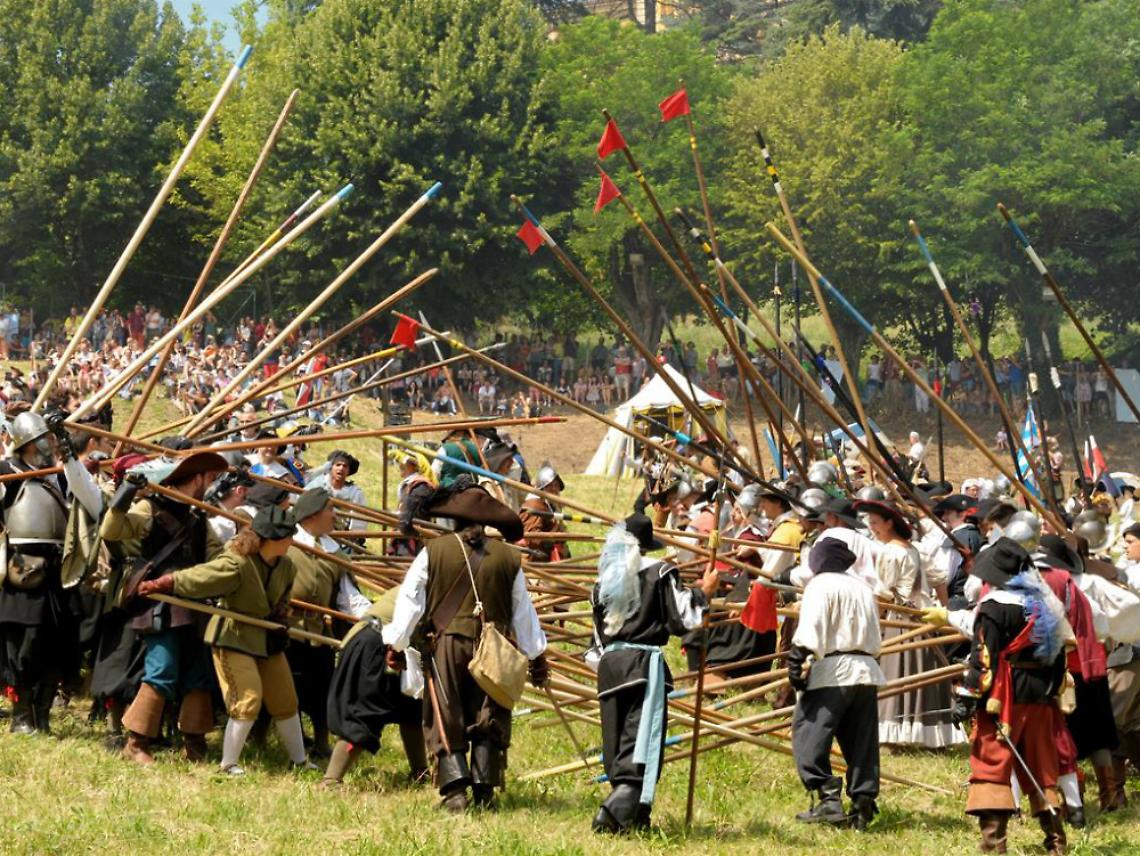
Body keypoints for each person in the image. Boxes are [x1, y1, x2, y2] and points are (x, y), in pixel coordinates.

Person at [383, 482, 547, 812]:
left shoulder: (433, 551)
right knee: (490, 712)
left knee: (446, 711)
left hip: (447, 645)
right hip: (496, 647)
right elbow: (523, 612)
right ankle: (484, 790)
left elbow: (410, 601)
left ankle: (455, 792)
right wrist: (536, 657)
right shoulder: (509, 558)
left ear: (452, 519)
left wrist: (397, 643)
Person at [134, 505, 319, 775]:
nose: (292, 541)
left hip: (267, 637)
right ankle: (228, 764)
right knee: (248, 698)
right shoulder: (237, 562)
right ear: (272, 539)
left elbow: (282, 599)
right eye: (288, 536)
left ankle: (299, 761)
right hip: (235, 635)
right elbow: (200, 577)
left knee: (285, 699)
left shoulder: (287, 566)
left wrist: (282, 615)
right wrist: (162, 584)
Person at [589, 514, 716, 833]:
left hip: (609, 666)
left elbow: (595, 639)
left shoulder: (601, 581)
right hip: (642, 666)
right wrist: (704, 591)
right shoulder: (661, 572)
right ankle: (612, 813)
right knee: (641, 742)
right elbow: (683, 618)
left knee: (619, 741)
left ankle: (633, 817)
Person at [101, 451, 228, 764]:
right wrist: (127, 491)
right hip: (161, 602)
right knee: (162, 670)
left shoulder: (198, 516)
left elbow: (217, 557)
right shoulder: (149, 508)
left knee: (198, 674)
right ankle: (135, 743)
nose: (211, 485)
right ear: (196, 478)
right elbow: (111, 531)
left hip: (193, 602)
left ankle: (195, 744)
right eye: (209, 478)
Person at [952, 538, 1067, 854]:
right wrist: (1051, 690)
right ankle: (1057, 843)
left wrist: (967, 694)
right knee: (1042, 765)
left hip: (1003, 697)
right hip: (1040, 693)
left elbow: (984, 656)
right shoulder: (1045, 605)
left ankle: (994, 845)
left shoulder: (992, 608)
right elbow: (1058, 657)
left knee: (992, 763)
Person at [0, 410, 103, 733]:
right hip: (23, 567)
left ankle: (41, 715)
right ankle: (21, 716)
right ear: (29, 443)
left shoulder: (59, 476)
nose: (52, 444)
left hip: (59, 567)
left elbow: (94, 502)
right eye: (47, 438)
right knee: (24, 646)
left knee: (57, 644)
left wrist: (71, 457)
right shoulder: (7, 471)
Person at [788, 537, 885, 830]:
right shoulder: (863, 588)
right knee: (861, 743)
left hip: (833, 670)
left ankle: (828, 798)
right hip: (866, 670)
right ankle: (862, 804)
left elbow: (812, 626)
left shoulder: (820, 585)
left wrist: (797, 659)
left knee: (808, 733)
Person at [855, 498, 959, 748]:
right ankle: (923, 735)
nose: (873, 528)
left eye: (876, 523)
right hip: (921, 616)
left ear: (890, 523)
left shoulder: (892, 551)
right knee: (920, 675)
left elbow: (883, 593)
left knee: (901, 674)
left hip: (903, 619)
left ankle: (899, 736)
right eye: (870, 523)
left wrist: (874, 623)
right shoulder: (911, 548)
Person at [286, 488, 371, 756]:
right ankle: (290, 743)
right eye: (330, 510)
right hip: (287, 630)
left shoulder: (334, 552)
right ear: (312, 515)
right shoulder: (287, 545)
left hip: (320, 632)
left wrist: (376, 616)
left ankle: (322, 742)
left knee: (323, 689)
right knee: (288, 691)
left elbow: (349, 598)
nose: (335, 515)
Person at [323, 587, 428, 787]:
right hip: (376, 643)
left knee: (411, 708)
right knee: (365, 713)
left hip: (397, 643)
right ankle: (331, 781)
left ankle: (419, 772)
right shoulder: (432, 580)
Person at [518, 462, 570, 562]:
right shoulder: (534, 505)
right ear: (542, 487)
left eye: (556, 485)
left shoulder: (549, 504)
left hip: (545, 559)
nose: (554, 489)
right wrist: (554, 539)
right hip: (533, 562)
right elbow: (532, 537)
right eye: (550, 486)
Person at [307, 449, 367, 531]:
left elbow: (359, 522)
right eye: (338, 465)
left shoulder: (355, 493)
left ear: (349, 471)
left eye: (345, 466)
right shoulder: (318, 483)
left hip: (340, 535)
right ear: (331, 467)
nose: (341, 468)